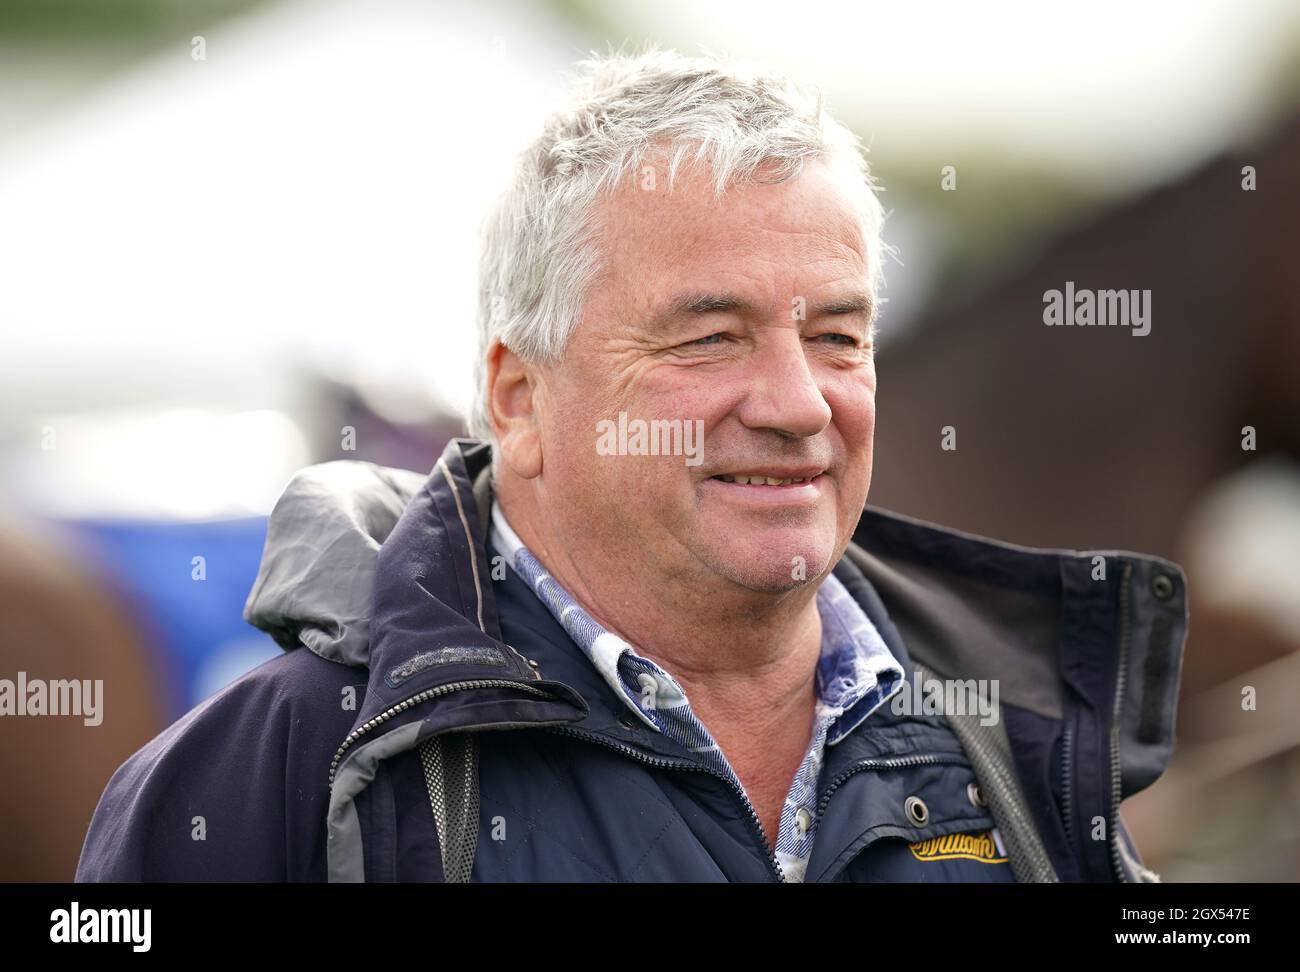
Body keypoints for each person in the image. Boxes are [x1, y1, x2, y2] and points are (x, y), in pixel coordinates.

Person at [76, 47, 1186, 883]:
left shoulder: (1017, 749)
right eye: (709, 338)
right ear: (521, 400)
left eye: (838, 336)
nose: (800, 403)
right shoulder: (279, 777)